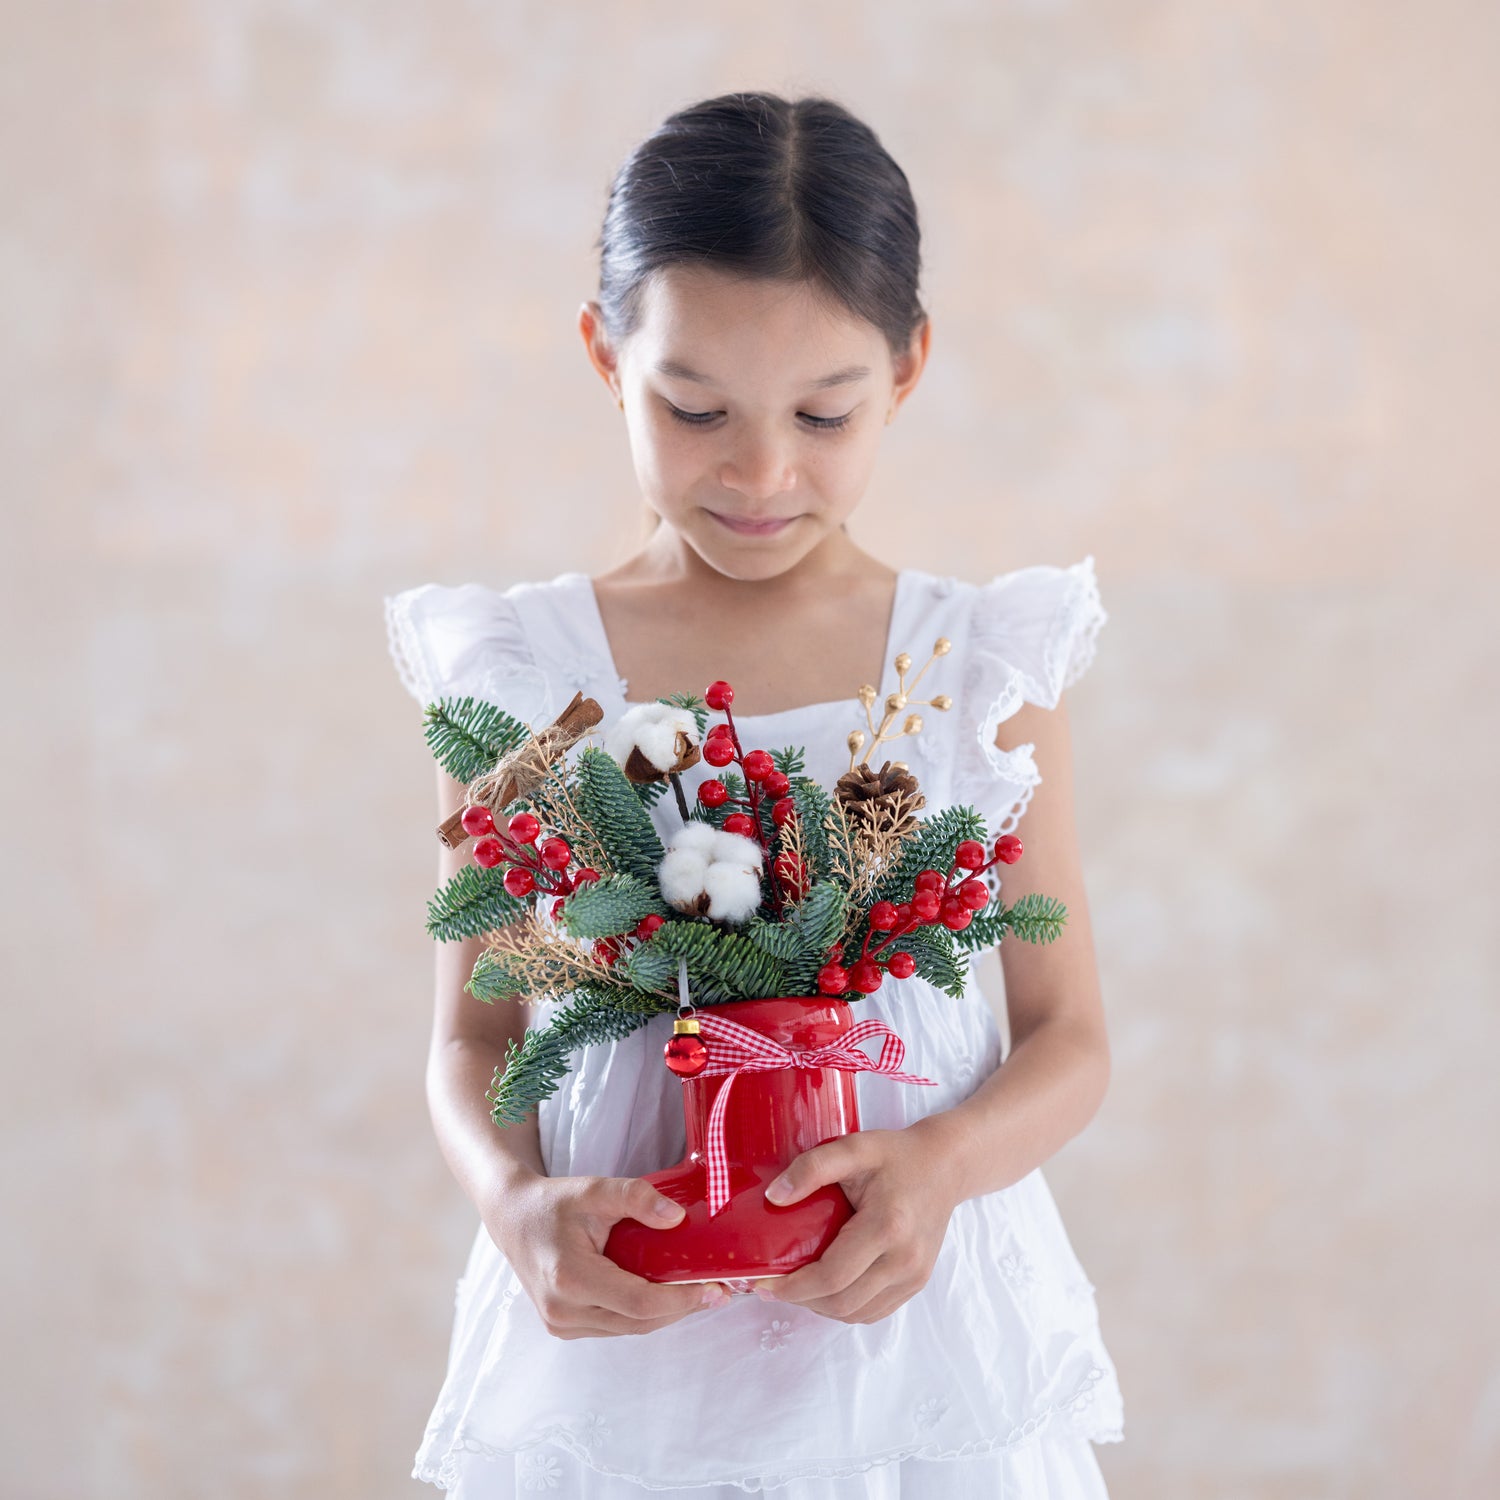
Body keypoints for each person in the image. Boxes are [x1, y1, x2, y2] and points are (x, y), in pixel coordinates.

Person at [384, 91, 1123, 1498]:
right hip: (622, 1369)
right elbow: (474, 1035)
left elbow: (1068, 1035)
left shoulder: (980, 670)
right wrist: (513, 1203)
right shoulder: (523, 679)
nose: (762, 471)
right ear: (606, 356)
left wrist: (946, 1165)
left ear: (907, 371)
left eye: (823, 412)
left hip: (916, 1359)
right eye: (695, 407)